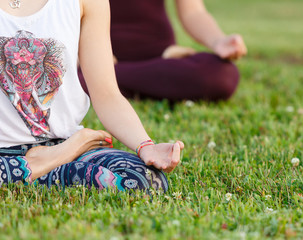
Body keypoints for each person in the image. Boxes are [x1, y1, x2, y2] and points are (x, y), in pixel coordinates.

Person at [0, 0, 184, 191]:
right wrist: (63, 155)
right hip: (61, 150)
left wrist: (146, 146)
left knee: (146, 179)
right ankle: (46, 164)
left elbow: (106, 92)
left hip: (65, 144)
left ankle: (25, 173)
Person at [78, 0, 247, 101]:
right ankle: (103, 80)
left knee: (222, 75)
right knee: (60, 80)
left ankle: (103, 81)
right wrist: (79, 54)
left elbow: (193, 12)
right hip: (94, 53)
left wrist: (218, 41)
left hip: (161, 57)